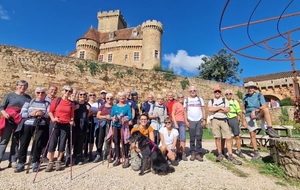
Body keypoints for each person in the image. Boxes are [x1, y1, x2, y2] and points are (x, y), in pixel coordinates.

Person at [14, 87, 50, 172]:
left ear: (45, 94)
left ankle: (35, 162)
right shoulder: (29, 102)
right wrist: (31, 114)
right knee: (24, 143)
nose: (40, 94)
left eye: (42, 93)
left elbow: (49, 114)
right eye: (38, 92)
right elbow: (22, 114)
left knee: (38, 143)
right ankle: (21, 162)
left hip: (41, 124)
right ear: (35, 93)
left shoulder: (47, 103)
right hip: (28, 124)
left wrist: (42, 113)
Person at [242, 81, 280, 160]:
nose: (250, 89)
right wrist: (244, 120)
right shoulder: (245, 97)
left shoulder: (259, 95)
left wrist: (256, 110)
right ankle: (256, 152)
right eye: (249, 87)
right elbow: (244, 109)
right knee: (252, 134)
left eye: (252, 87)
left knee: (266, 109)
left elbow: (264, 105)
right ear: (247, 89)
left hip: (258, 113)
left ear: (254, 88)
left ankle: (270, 129)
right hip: (249, 115)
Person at [0, 80, 31, 170]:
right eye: (21, 85)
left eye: (25, 86)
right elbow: (2, 106)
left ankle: (13, 161)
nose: (23, 87)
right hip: (8, 119)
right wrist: (4, 113)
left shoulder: (28, 97)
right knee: (4, 141)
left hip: (20, 121)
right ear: (17, 86)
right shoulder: (10, 95)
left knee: (16, 141)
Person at [208, 87, 242, 165]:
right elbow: (210, 109)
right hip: (215, 119)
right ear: (214, 92)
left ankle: (230, 155)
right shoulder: (211, 101)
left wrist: (216, 109)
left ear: (220, 92)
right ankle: (220, 153)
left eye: (218, 91)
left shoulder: (224, 100)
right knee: (217, 138)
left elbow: (227, 109)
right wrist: (220, 108)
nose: (217, 93)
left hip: (223, 120)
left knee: (228, 137)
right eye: (216, 91)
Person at [45, 85, 75, 172]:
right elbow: (50, 111)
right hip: (56, 123)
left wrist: (72, 121)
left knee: (62, 143)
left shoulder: (71, 103)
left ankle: (58, 161)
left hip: (65, 124)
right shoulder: (56, 100)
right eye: (66, 90)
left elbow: (72, 115)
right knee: (52, 142)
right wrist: (53, 118)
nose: (67, 93)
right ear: (62, 91)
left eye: (69, 91)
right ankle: (50, 162)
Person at [110, 91, 132, 168]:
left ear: (125, 97)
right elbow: (111, 115)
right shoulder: (114, 106)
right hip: (116, 125)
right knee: (116, 141)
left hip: (124, 126)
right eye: (120, 96)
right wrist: (113, 118)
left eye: (123, 96)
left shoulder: (127, 106)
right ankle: (117, 158)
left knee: (125, 141)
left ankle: (126, 158)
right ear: (118, 97)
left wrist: (125, 119)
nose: (122, 98)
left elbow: (130, 116)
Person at [184, 86, 206, 162]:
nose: (192, 92)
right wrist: (186, 121)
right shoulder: (186, 100)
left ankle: (198, 153)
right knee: (192, 138)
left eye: (194, 90)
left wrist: (204, 120)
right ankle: (193, 152)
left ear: (196, 91)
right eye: (191, 91)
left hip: (199, 120)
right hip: (191, 120)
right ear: (189, 92)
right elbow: (185, 111)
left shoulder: (200, 99)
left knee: (199, 137)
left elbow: (203, 109)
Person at [224, 89, 245, 158]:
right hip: (225, 118)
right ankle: (227, 150)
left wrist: (238, 119)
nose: (228, 95)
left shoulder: (234, 101)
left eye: (230, 93)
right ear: (225, 95)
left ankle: (239, 151)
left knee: (237, 135)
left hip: (233, 118)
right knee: (226, 136)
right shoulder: (223, 101)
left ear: (232, 94)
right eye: (227, 94)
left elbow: (239, 111)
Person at [93, 93, 114, 163]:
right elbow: (98, 115)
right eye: (108, 98)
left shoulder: (114, 107)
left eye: (111, 98)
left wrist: (111, 118)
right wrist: (105, 117)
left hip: (110, 124)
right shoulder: (102, 106)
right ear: (106, 99)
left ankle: (108, 154)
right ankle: (98, 154)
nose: (109, 100)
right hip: (102, 124)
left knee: (108, 139)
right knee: (100, 139)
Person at [73, 90, 90, 165]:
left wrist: (89, 110)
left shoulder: (87, 104)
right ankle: (70, 157)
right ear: (78, 95)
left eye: (84, 94)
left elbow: (89, 114)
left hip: (84, 124)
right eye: (81, 94)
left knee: (80, 141)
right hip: (75, 123)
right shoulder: (75, 103)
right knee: (72, 141)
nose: (82, 96)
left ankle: (78, 156)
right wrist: (74, 108)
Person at [172, 93, 188, 161]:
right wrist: (175, 123)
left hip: (182, 123)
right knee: (177, 138)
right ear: (178, 98)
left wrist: (186, 121)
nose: (181, 98)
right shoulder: (176, 104)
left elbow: (185, 114)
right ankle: (178, 152)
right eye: (179, 97)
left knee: (183, 138)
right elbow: (172, 114)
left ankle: (183, 153)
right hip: (176, 122)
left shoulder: (184, 105)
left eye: (182, 97)